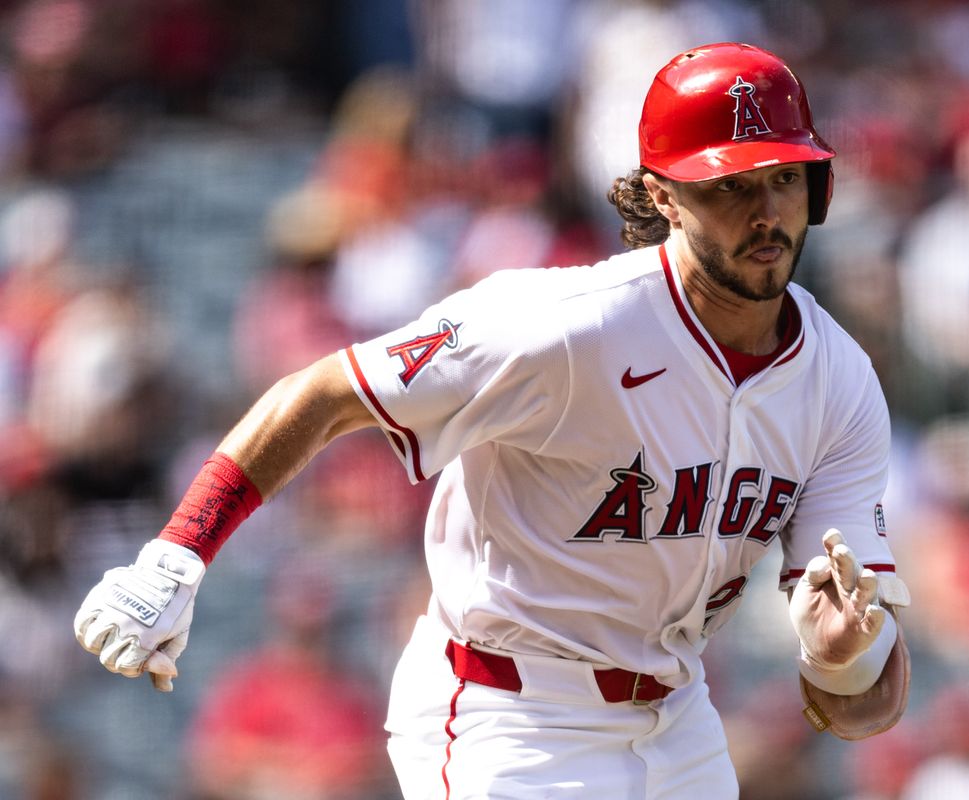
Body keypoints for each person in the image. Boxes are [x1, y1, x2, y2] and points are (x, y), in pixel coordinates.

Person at [74, 42, 912, 799]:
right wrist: (176, 557)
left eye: (783, 178)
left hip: (682, 724)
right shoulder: (563, 324)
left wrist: (845, 654)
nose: (766, 212)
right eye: (730, 185)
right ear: (665, 196)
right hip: (509, 715)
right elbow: (328, 391)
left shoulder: (837, 380)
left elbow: (860, 709)